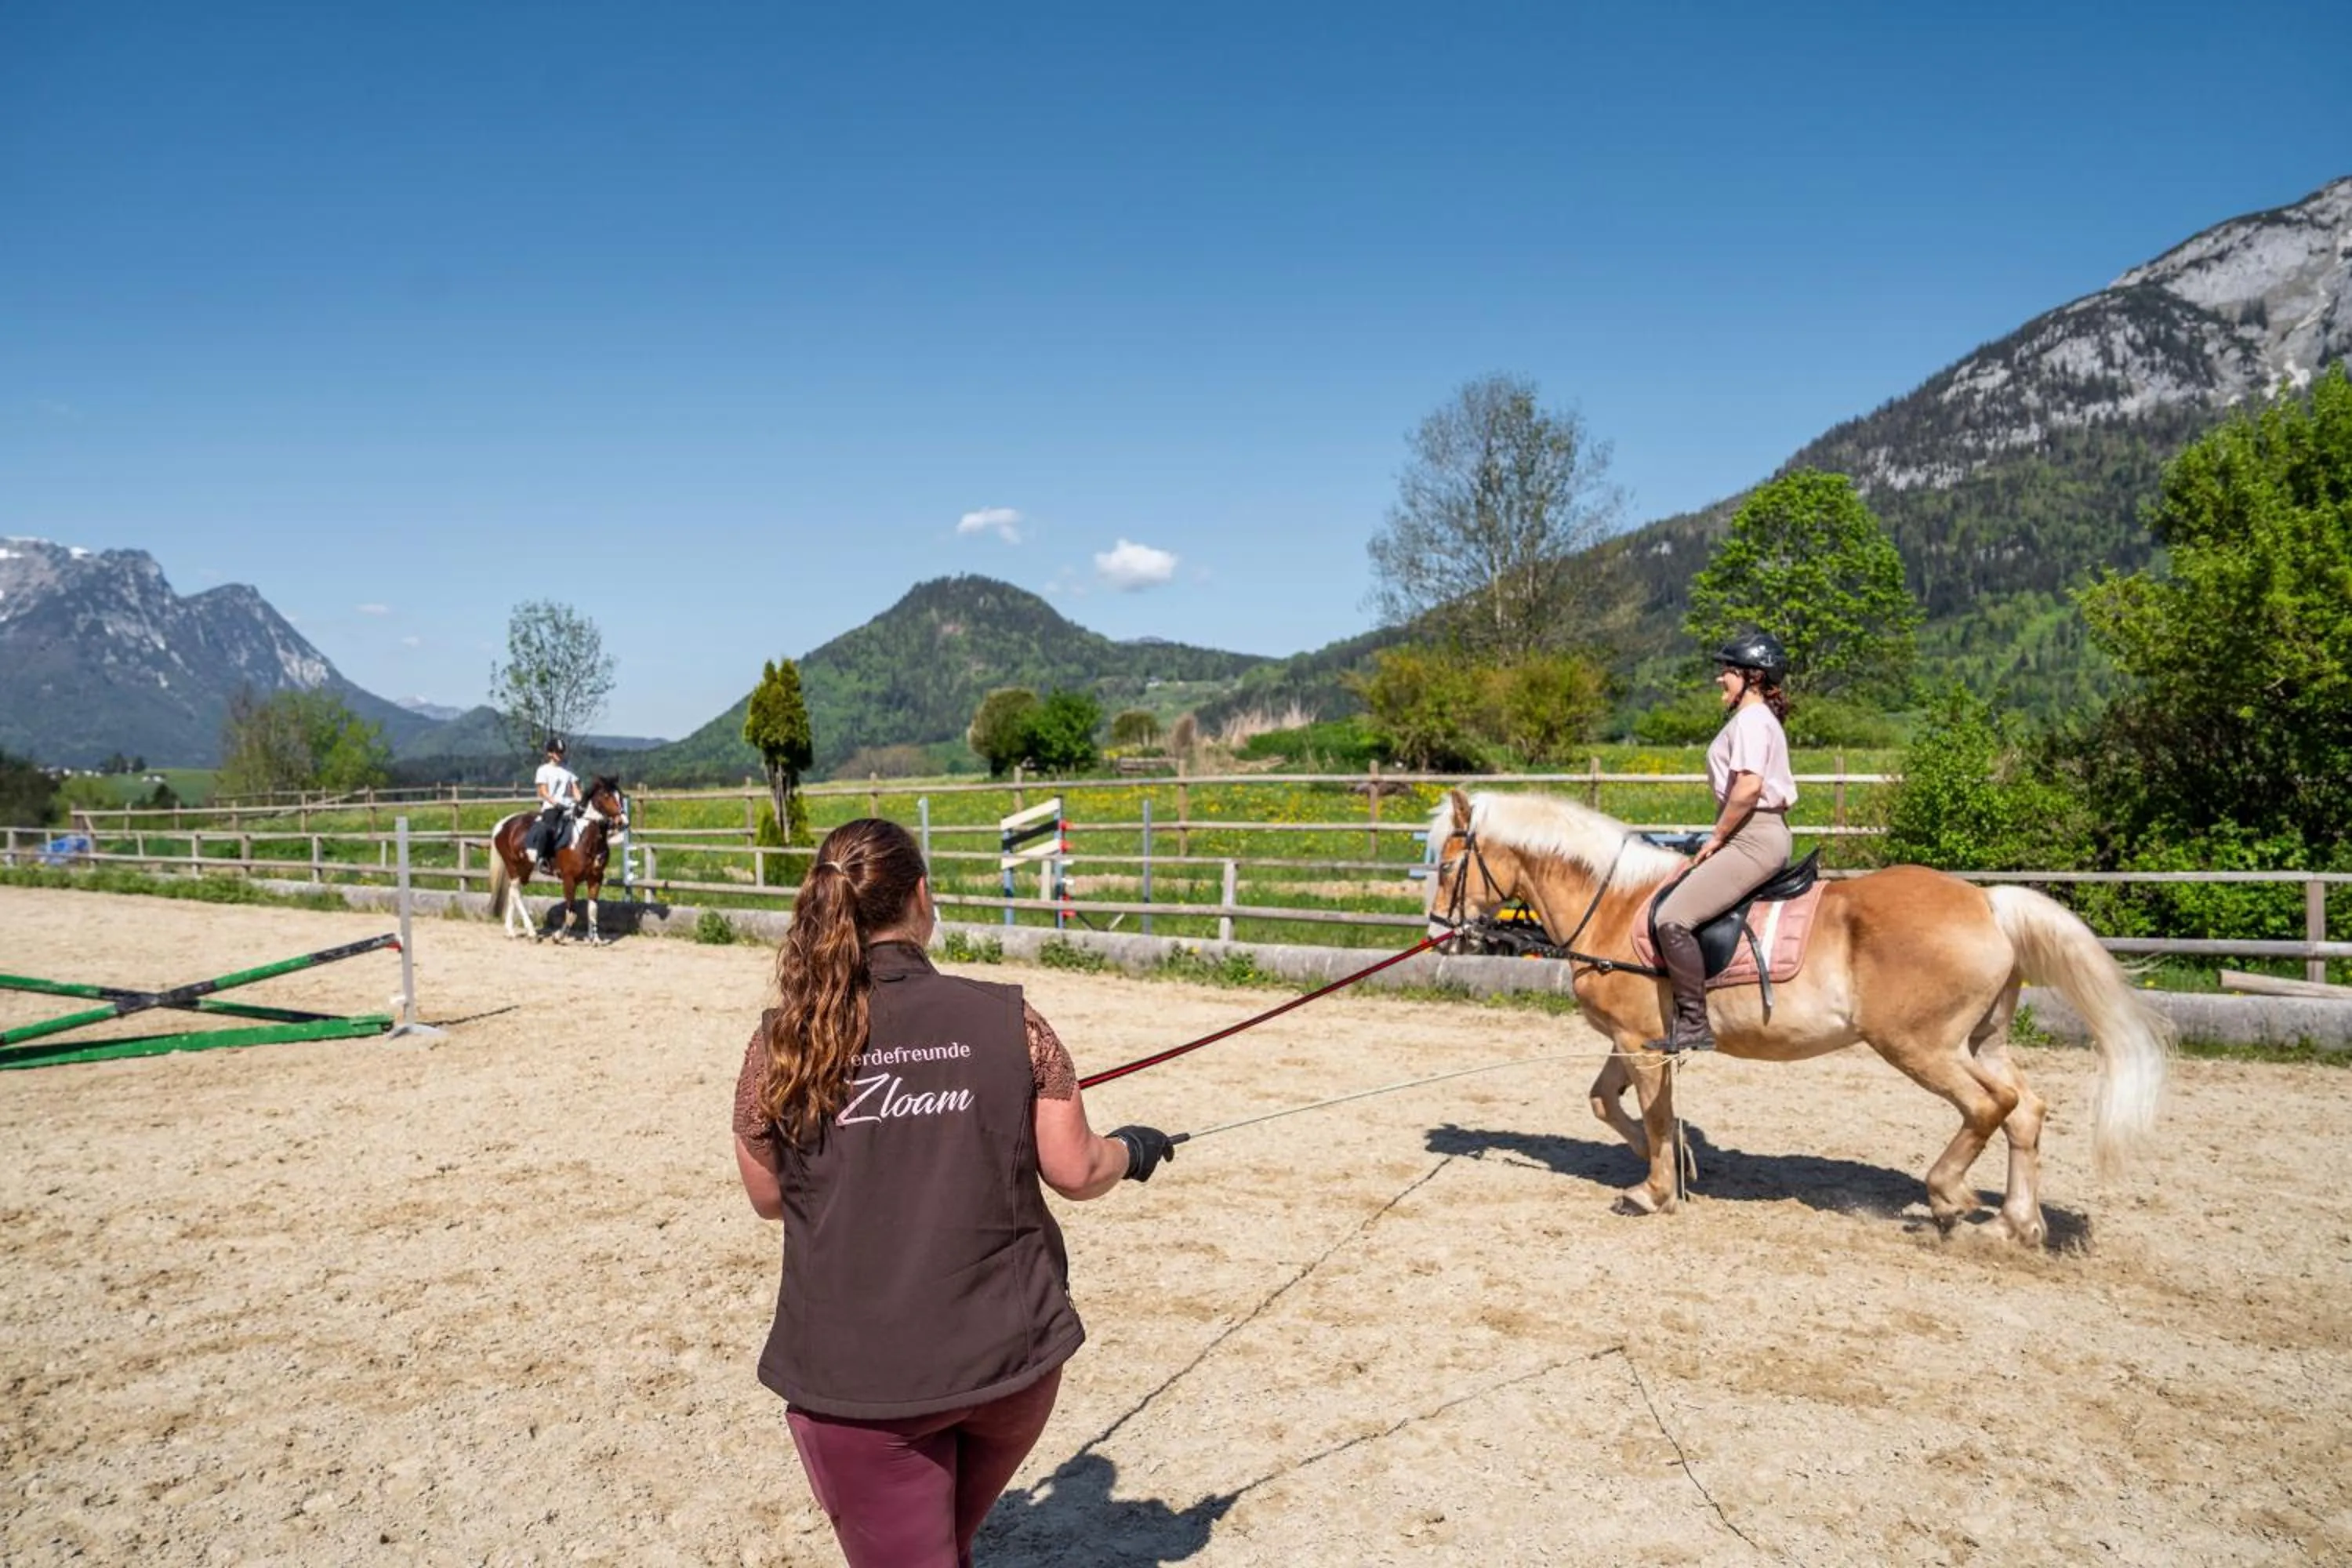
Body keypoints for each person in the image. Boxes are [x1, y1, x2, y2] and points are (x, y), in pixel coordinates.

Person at [730, 817, 1176, 1568]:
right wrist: (1133, 1150)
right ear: (921, 896)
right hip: (1011, 1363)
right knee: (944, 1545)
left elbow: (768, 1197)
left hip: (861, 1383)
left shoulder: (781, 1043)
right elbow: (1078, 1170)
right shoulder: (1012, 1020)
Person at [1648, 630, 1798, 1054]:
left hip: (1752, 838)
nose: (1720, 678)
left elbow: (1748, 788)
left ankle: (1695, 1024)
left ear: (1753, 677)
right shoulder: (1757, 719)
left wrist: (1717, 836)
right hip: (1753, 833)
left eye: (1728, 671)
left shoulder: (1751, 720)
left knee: (1672, 918)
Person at [530, 736, 580, 874]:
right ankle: (543, 858)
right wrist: (555, 803)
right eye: (557, 752)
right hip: (552, 807)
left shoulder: (568, 769)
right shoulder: (543, 770)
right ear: (550, 753)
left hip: (569, 806)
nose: (560, 755)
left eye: (562, 752)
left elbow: (575, 790)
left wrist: (582, 802)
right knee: (549, 829)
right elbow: (543, 791)